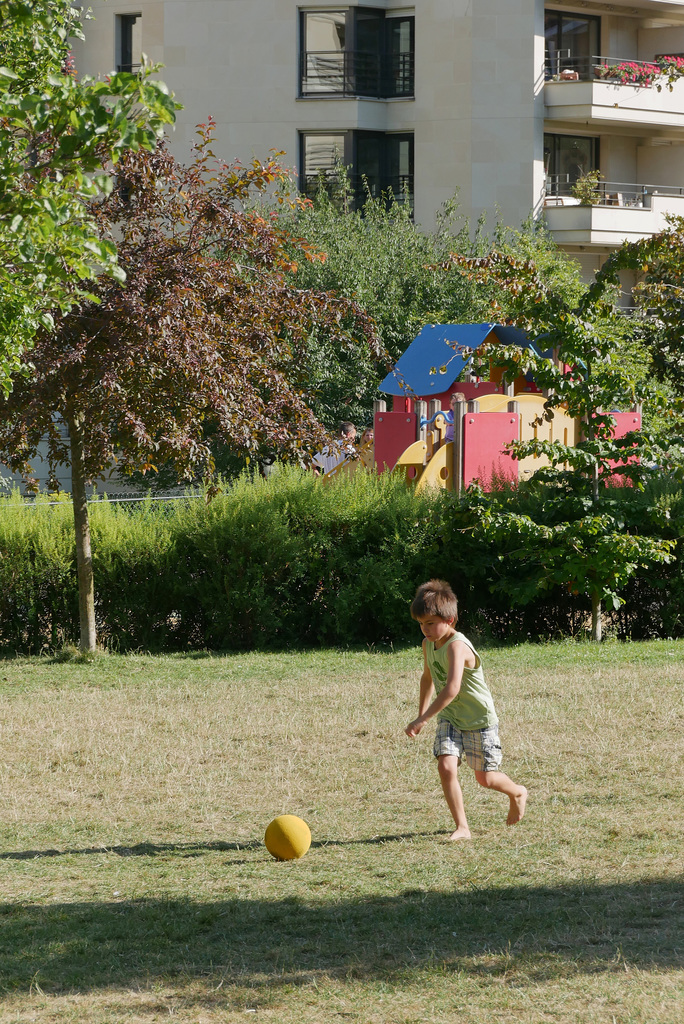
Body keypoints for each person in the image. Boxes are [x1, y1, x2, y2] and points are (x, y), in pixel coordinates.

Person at [405, 579, 527, 841]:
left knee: (486, 779)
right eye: (421, 624)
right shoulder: (428, 644)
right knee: (446, 767)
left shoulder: (457, 646)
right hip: (451, 718)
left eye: (430, 623)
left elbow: (451, 689)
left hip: (479, 719)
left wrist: (424, 720)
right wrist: (420, 713)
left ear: (450, 620)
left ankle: (517, 792)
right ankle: (462, 827)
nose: (424, 629)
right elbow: (427, 678)